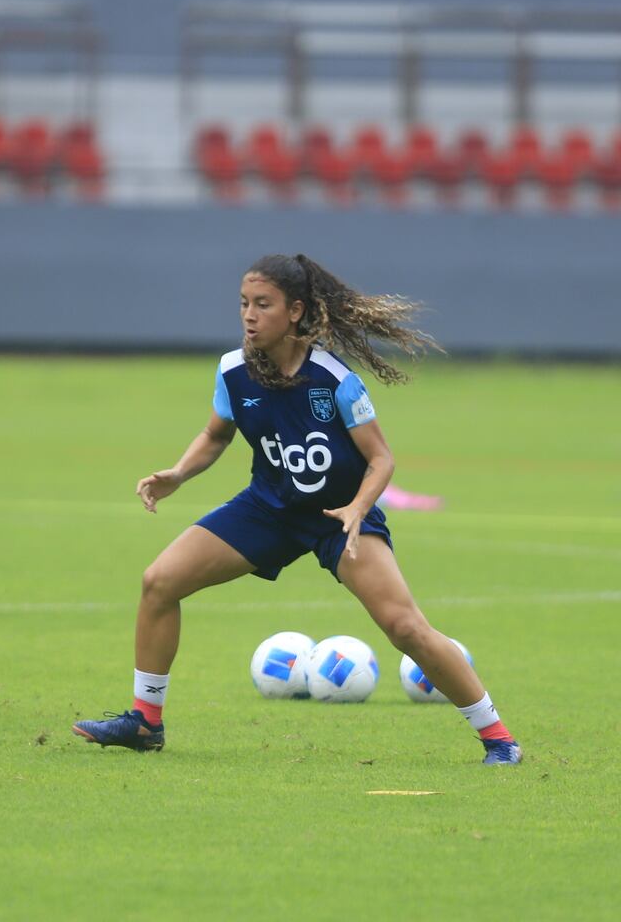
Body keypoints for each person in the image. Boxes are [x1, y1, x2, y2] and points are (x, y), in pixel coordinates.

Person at [72, 253, 521, 766]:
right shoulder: (233, 371)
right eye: (244, 303)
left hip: (338, 518)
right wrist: (178, 473)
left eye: (263, 304)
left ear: (295, 311)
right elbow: (216, 434)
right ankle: (145, 722)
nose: (249, 315)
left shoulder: (333, 379)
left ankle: (499, 738)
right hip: (268, 509)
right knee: (159, 582)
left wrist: (357, 508)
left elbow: (381, 459)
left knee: (404, 627)